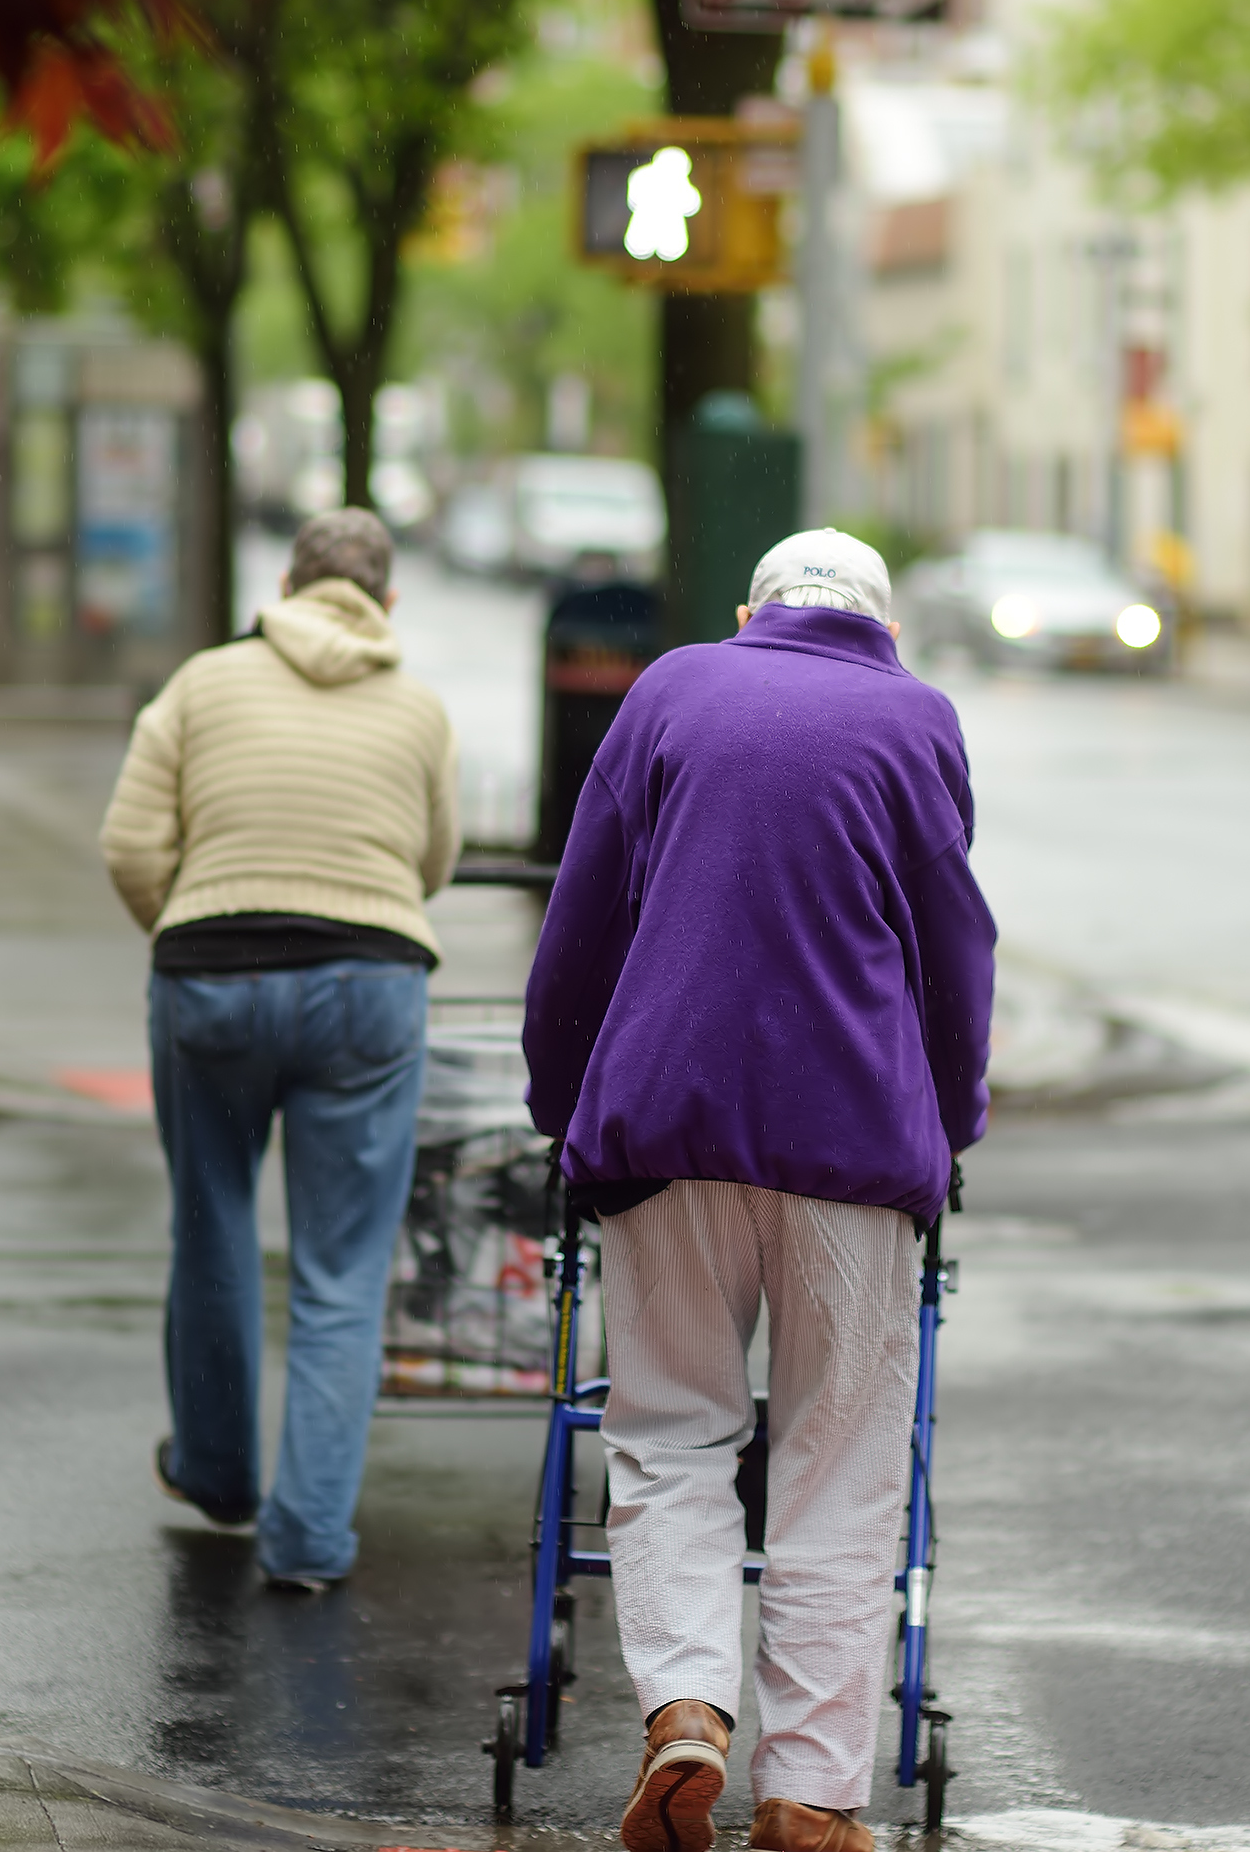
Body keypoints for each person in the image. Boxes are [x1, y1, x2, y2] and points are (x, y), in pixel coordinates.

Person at [523, 529, 994, 1852]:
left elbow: (581, 921)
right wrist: (949, 1124)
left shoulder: (669, 687)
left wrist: (561, 1105)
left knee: (669, 1427)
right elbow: (954, 947)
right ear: (887, 632)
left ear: (749, 612)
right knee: (837, 1453)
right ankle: (811, 1788)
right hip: (851, 1141)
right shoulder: (916, 720)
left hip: (661, 1117)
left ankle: (685, 1709)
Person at [98, 509, 459, 1593]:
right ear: (385, 604)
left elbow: (127, 845)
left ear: (288, 589)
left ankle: (216, 1474)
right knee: (341, 1274)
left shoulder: (204, 684)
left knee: (210, 1227)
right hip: (369, 983)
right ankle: (306, 1542)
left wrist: (191, 915)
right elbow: (431, 862)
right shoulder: (422, 710)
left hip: (210, 976)